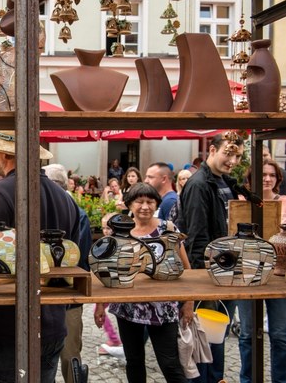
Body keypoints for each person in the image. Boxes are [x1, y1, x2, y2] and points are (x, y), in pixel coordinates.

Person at [0, 130, 84, 383]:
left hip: (5, 329)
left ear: (4, 154)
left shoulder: (2, 192)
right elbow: (70, 262)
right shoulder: (63, 197)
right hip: (51, 327)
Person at [97, 183, 192, 383]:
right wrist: (99, 305)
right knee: (134, 361)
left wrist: (189, 303)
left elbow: (186, 267)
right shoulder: (120, 231)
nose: (145, 206)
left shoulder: (167, 228)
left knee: (169, 363)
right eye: (139, 201)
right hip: (127, 308)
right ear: (130, 204)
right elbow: (106, 272)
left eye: (150, 202)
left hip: (163, 307)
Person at [178, 131, 243, 382]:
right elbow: (196, 236)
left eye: (237, 156)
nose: (233, 161)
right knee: (205, 335)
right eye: (229, 153)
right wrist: (200, 281)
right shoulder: (199, 184)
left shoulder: (224, 181)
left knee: (217, 332)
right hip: (210, 273)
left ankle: (215, 378)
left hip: (228, 269)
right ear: (212, 150)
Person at [237, 158, 286, 383]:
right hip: (248, 272)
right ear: (251, 179)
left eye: (271, 175)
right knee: (247, 334)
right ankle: (247, 379)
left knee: (280, 335)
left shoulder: (284, 202)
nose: (267, 179)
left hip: (279, 276)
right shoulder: (240, 203)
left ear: (278, 180)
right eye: (262, 174)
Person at [42, 163, 92, 383]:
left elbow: (77, 260)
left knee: (68, 354)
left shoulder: (74, 213)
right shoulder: (73, 211)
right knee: (64, 355)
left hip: (64, 297)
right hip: (63, 297)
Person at [93, 212, 124, 359]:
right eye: (103, 228)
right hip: (107, 283)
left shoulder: (115, 243)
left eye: (108, 228)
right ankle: (114, 339)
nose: (105, 231)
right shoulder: (104, 243)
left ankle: (114, 339)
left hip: (114, 284)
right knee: (99, 309)